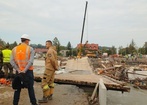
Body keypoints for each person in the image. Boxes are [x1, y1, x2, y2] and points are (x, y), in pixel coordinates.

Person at [10, 34, 39, 105]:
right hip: (28, 72)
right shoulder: (30, 49)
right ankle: (33, 103)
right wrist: (24, 71)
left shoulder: (14, 49)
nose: (29, 42)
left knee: (17, 89)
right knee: (30, 88)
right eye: (28, 41)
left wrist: (19, 70)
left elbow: (11, 61)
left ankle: (15, 103)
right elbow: (31, 62)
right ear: (26, 40)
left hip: (19, 72)